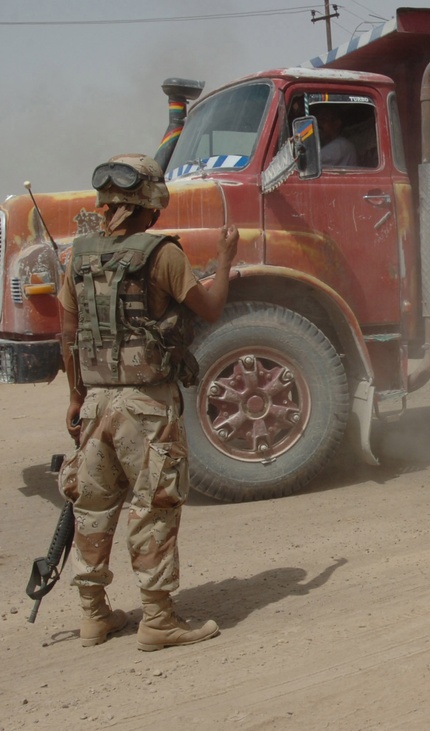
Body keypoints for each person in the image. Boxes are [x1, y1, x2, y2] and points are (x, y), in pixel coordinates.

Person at [57, 153, 239, 651]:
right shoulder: (163, 255)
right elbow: (212, 306)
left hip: (95, 403)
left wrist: (76, 397)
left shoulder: (79, 254)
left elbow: (68, 333)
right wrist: (224, 260)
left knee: (92, 507)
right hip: (147, 406)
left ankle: (93, 617)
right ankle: (157, 621)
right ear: (153, 204)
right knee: (153, 507)